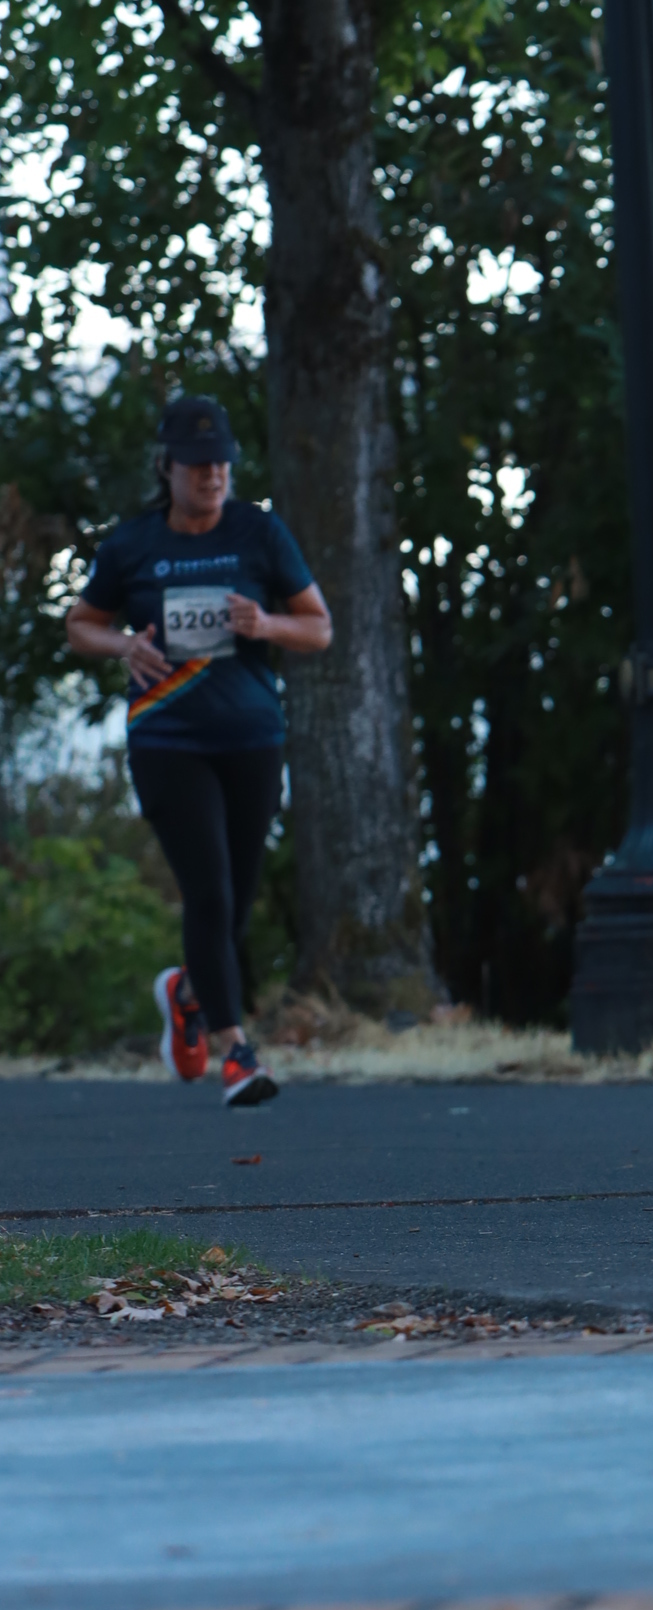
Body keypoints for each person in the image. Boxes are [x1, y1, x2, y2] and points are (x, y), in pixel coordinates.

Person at [64, 391, 332, 1107]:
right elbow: (81, 625)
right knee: (208, 892)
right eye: (197, 463)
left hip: (252, 740)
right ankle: (236, 1052)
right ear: (168, 466)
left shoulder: (259, 533)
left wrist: (266, 624)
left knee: (233, 905)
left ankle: (187, 993)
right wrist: (123, 644)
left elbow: (319, 628)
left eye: (221, 463)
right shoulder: (132, 545)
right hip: (168, 740)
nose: (212, 474)